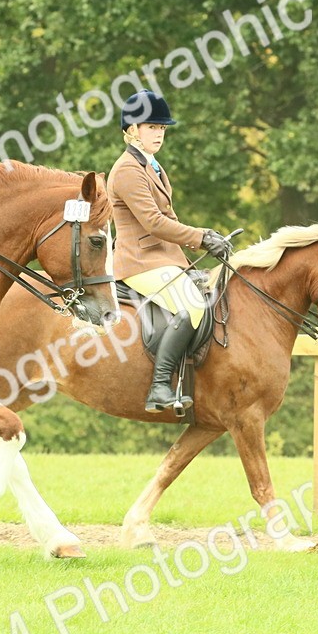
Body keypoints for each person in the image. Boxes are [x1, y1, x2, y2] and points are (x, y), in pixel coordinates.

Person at [108, 90, 233, 413]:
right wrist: (202, 237)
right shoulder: (126, 170)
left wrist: (187, 260)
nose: (159, 134)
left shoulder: (153, 166)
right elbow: (153, 222)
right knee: (193, 305)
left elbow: (170, 221)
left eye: (162, 129)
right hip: (138, 262)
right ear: (132, 130)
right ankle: (160, 386)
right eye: (152, 127)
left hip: (162, 260)